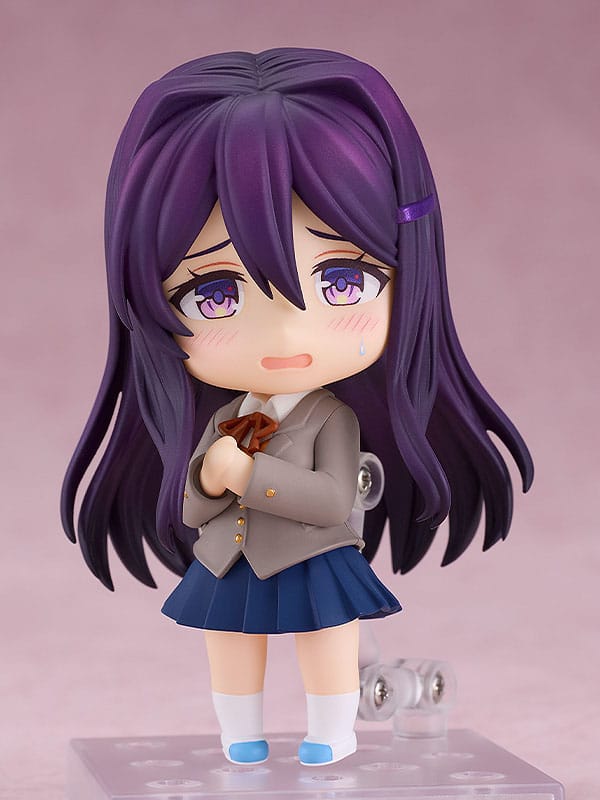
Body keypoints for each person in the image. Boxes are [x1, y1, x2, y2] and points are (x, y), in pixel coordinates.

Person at [61, 48, 533, 766]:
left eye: (342, 279)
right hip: (230, 557)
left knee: (327, 639)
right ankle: (240, 735)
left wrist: (247, 477)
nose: (286, 333)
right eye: (214, 293)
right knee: (229, 646)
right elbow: (192, 506)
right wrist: (209, 479)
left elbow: (332, 498)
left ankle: (331, 732)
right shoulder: (224, 418)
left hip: (313, 553)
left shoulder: (329, 419)